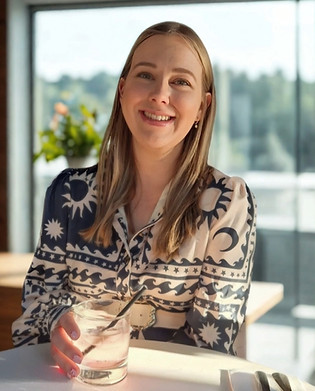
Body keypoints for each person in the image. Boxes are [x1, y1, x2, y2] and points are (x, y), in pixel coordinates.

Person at [12, 21, 257, 379]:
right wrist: (55, 321)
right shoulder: (68, 194)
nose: (160, 94)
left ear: (202, 108)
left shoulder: (227, 204)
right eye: (146, 75)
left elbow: (212, 343)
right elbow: (32, 314)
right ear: (123, 90)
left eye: (181, 82)